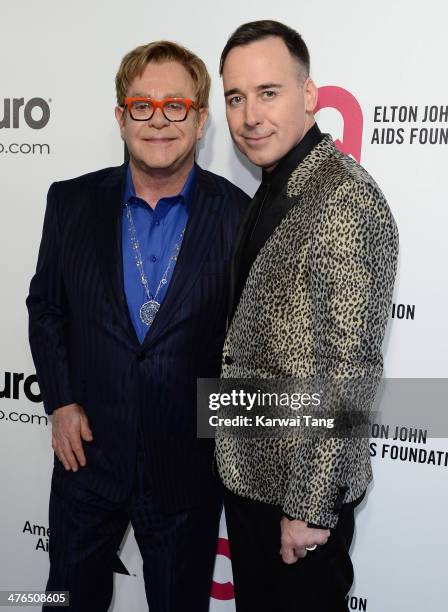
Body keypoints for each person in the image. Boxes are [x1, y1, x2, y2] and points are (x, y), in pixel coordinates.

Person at [26, 40, 249, 612]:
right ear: (121, 116)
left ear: (200, 120)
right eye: (141, 104)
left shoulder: (241, 219)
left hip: (186, 477)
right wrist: (61, 400)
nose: (158, 120)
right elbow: (46, 307)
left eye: (176, 105)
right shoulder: (70, 203)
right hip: (87, 466)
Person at [215, 20, 399, 612]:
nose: (249, 116)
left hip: (298, 501)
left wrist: (310, 508)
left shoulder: (343, 198)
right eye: (236, 97)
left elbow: (351, 370)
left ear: (310, 96)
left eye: (268, 92)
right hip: (254, 479)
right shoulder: (275, 186)